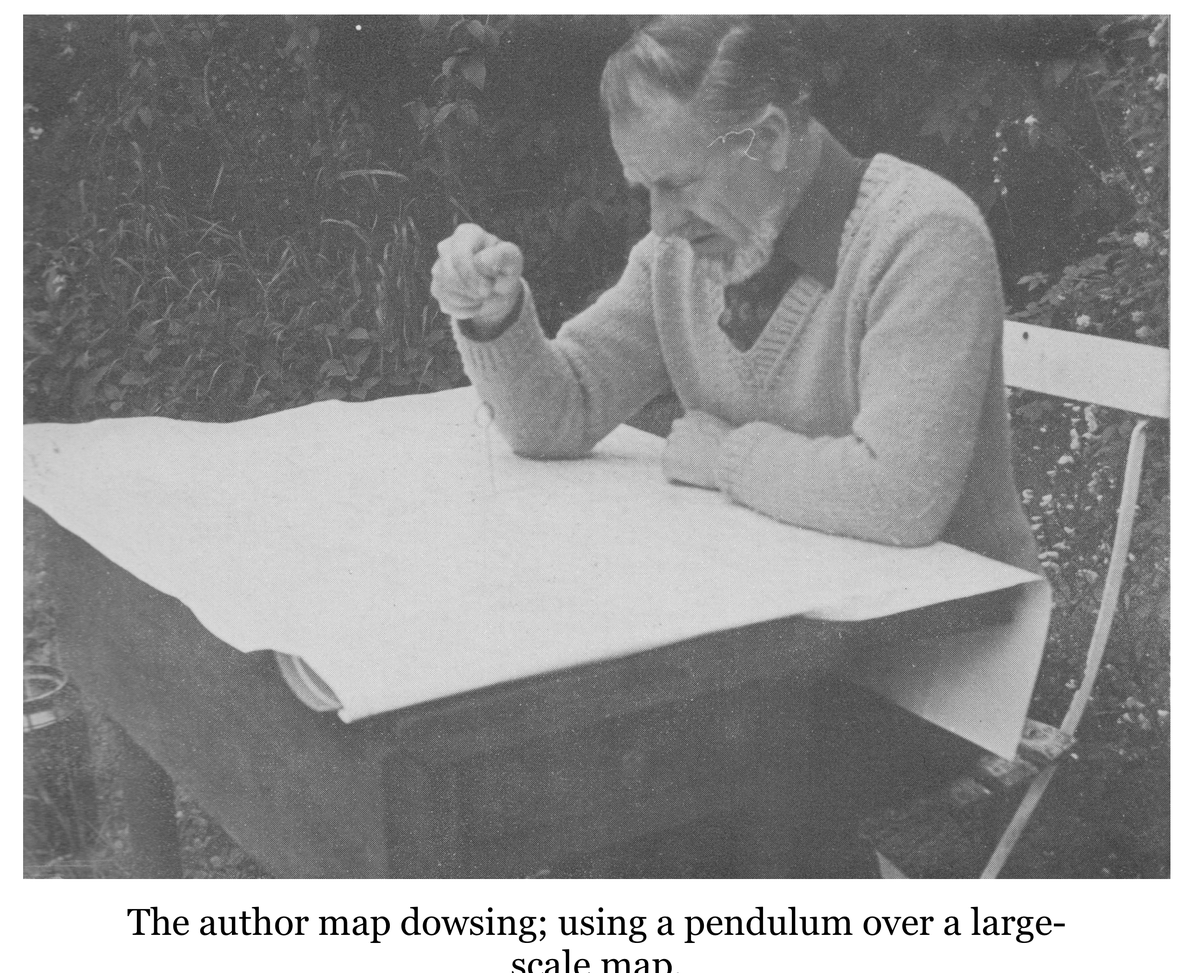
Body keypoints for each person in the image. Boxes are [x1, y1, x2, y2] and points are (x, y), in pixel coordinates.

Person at [430, 15, 1039, 875]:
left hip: (933, 663)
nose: (660, 220)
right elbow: (558, 413)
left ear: (770, 138)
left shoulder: (924, 237)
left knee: (669, 788)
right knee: (601, 777)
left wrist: (727, 459)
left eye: (678, 184)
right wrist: (493, 318)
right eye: (643, 188)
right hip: (763, 647)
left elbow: (899, 494)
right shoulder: (680, 255)